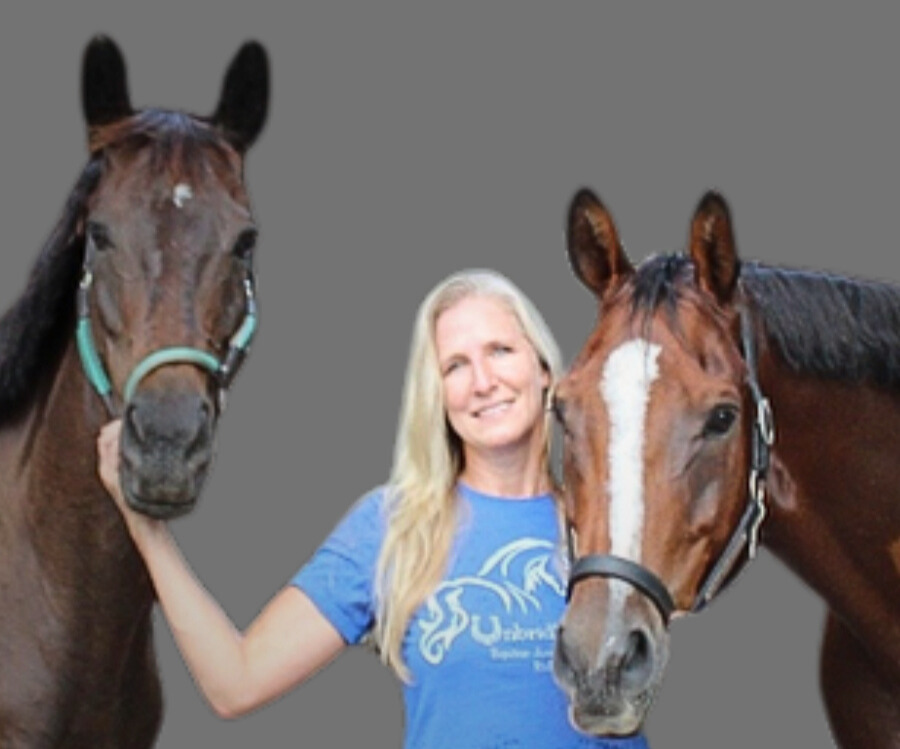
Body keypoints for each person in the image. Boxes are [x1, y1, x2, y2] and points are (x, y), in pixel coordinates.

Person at [97, 268, 650, 749]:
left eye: (500, 351)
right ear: (436, 393)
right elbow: (234, 682)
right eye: (455, 365)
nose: (482, 382)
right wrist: (147, 531)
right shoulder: (393, 527)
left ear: (543, 367)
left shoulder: (612, 522)